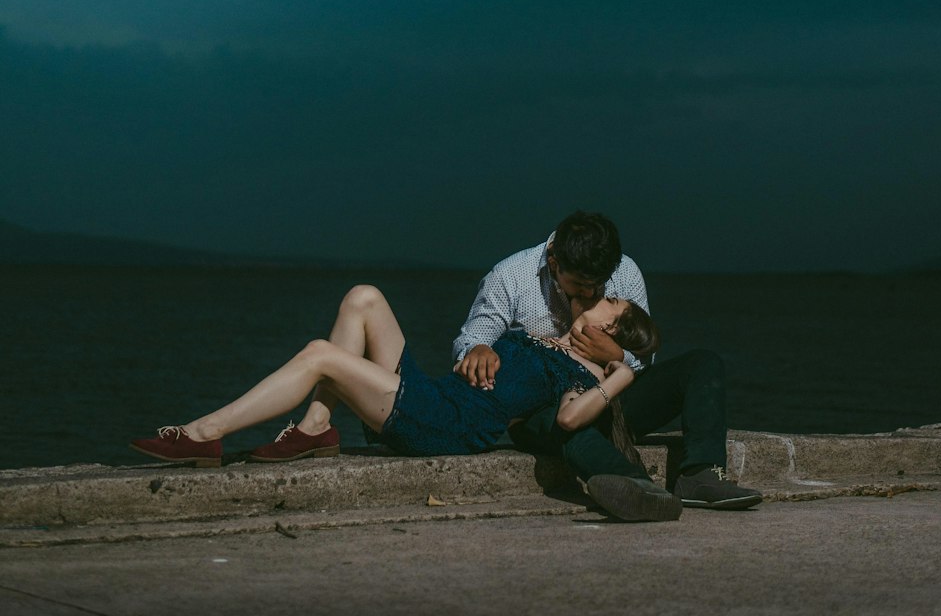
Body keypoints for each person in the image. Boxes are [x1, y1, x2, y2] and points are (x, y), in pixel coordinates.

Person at [129, 283, 664, 482]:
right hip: (433, 396)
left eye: (607, 302)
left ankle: (203, 434)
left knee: (321, 356)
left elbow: (571, 418)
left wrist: (619, 374)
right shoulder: (549, 340)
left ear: (611, 328)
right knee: (364, 298)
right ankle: (317, 426)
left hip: (441, 427)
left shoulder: (584, 374)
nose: (596, 297)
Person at [452, 211, 763, 521]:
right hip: (547, 410)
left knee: (702, 364)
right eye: (580, 284)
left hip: (612, 397)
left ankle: (700, 475)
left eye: (598, 285)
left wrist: (617, 354)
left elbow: (645, 351)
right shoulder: (510, 276)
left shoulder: (625, 271)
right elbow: (469, 342)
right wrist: (478, 349)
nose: (590, 293)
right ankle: (636, 487)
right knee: (568, 422)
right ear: (554, 263)